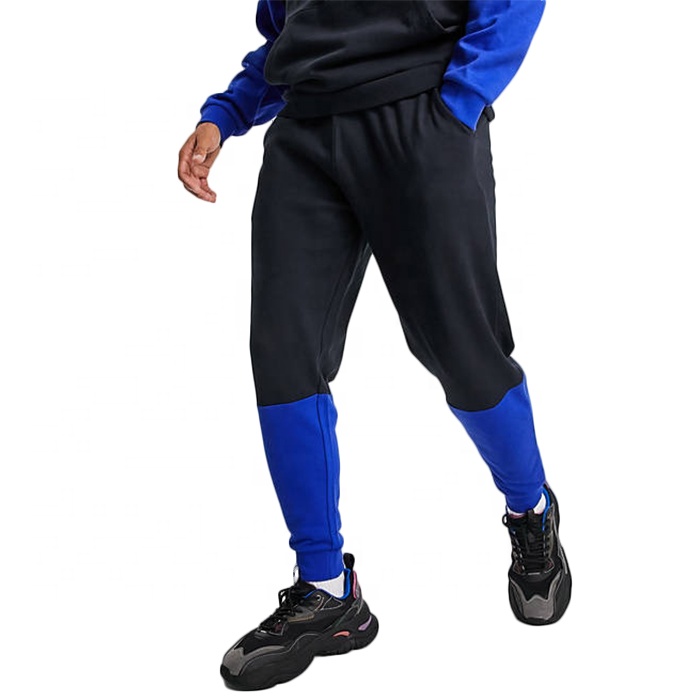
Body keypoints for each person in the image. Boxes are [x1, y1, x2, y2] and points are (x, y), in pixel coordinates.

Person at [178, 0, 571, 691]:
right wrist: (227, 113)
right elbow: (292, 31)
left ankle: (530, 509)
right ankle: (327, 590)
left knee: (463, 352)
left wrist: (458, 106)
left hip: (420, 118)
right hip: (305, 135)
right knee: (283, 359)